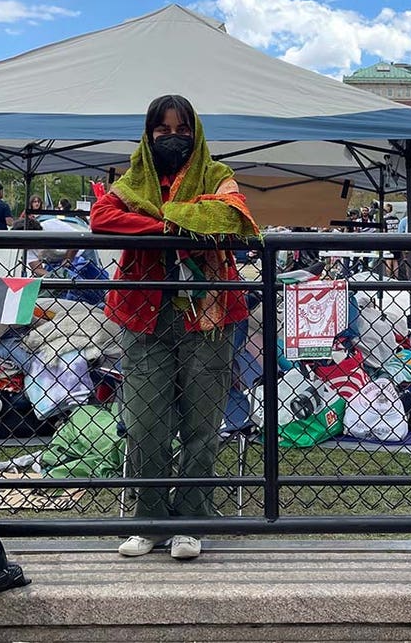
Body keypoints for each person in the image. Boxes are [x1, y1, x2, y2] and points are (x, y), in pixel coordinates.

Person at [90, 94, 258, 561]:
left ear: (195, 133)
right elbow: (102, 217)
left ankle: (190, 521)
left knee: (202, 424)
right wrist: (172, 226)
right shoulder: (133, 179)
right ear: (148, 134)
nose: (171, 138)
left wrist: (154, 218)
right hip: (145, 317)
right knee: (145, 424)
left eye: (181, 129)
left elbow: (230, 216)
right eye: (161, 130)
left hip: (208, 317)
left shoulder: (217, 175)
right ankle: (150, 521)